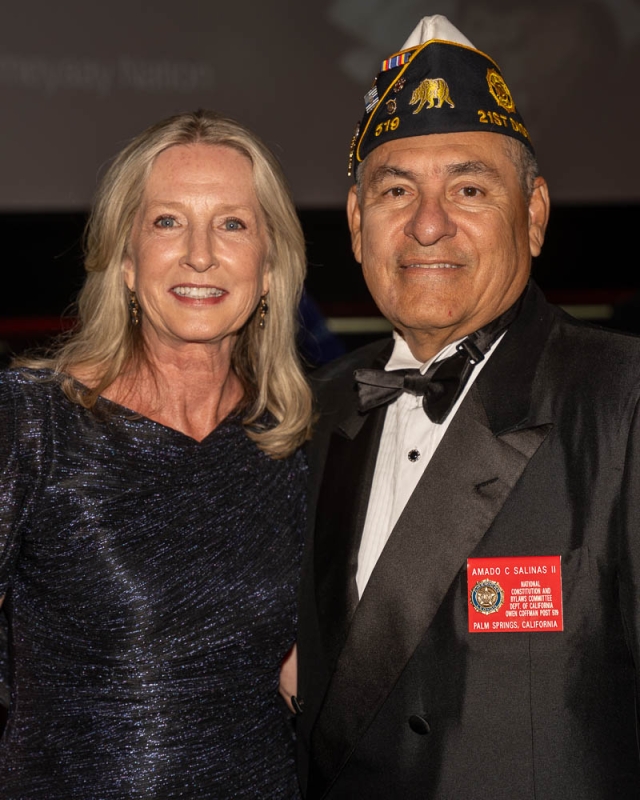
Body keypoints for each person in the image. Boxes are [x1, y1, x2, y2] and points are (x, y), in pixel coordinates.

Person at [295, 14, 640, 799]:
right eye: (396, 190)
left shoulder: (623, 403)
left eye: (470, 189)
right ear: (357, 223)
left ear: (535, 214)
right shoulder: (309, 414)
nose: (427, 224)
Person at [0, 109, 312, 798]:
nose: (200, 254)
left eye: (233, 224)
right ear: (125, 260)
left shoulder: (294, 445)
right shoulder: (31, 421)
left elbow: (307, 678)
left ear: (269, 267)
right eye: (168, 221)